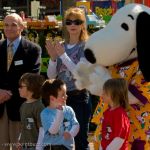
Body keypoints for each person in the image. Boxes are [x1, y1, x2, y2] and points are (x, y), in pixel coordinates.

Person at [46, 7, 91, 150]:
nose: (72, 25)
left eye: (77, 22)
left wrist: (63, 56)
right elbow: (51, 76)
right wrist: (53, 59)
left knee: (80, 140)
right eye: (69, 22)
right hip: (61, 99)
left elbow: (81, 74)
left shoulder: (86, 46)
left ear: (82, 25)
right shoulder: (62, 46)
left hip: (78, 97)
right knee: (62, 140)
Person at [0, 13, 41, 150]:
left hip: (21, 108)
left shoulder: (33, 50)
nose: (9, 28)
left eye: (13, 25)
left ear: (21, 27)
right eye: (6, 25)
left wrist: (8, 93)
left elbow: (32, 79)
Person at [40, 79, 80, 150]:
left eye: (66, 93)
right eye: (63, 95)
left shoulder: (69, 110)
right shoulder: (45, 113)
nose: (66, 96)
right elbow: (53, 131)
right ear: (52, 98)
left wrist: (71, 134)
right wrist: (59, 113)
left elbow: (76, 125)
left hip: (67, 147)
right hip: (51, 147)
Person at [99, 78, 130, 150]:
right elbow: (104, 135)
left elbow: (120, 138)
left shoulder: (120, 114)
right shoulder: (107, 112)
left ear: (114, 95)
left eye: (105, 92)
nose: (102, 94)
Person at [18, 73, 45, 150]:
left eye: (21, 86)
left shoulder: (39, 107)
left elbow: (42, 129)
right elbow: (23, 125)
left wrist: (39, 147)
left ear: (32, 89)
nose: (19, 88)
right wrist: (20, 140)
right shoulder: (23, 106)